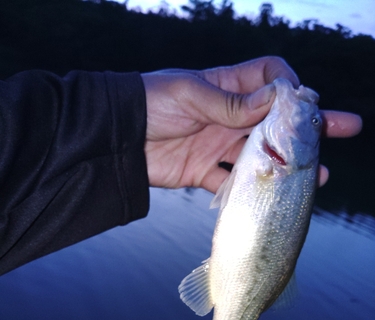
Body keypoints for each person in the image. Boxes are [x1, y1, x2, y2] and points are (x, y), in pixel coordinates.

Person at [0, 56, 362, 276]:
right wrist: (123, 121)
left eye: (312, 124)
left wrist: (123, 121)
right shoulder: (275, 155)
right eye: (314, 121)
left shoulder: (277, 158)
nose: (308, 116)